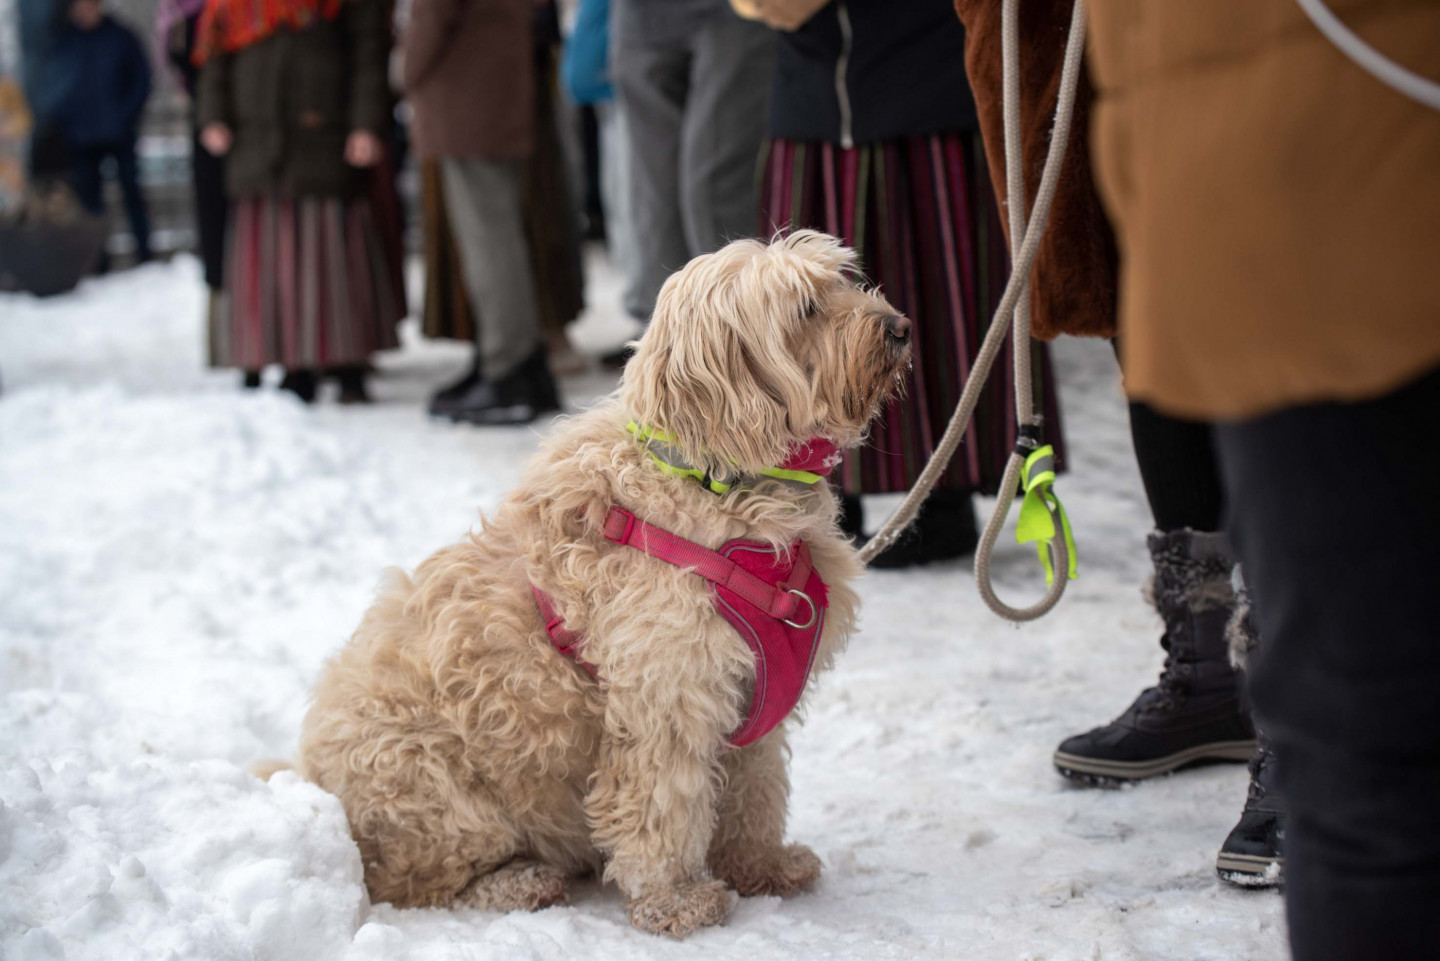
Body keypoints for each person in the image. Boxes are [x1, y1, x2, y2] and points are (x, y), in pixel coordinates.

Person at [1081, 1, 1440, 958]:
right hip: (1223, 148)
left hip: (1342, 124)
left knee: (1372, 747)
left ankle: (1262, 684)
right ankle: (1215, 669)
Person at [953, 0, 1282, 885]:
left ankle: (1312, 710)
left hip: (1252, 38)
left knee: (1279, 313)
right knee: (1149, 307)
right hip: (1100, 41)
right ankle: (1212, 673)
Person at [749, 0, 1065, 567]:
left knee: (944, 294)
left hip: (930, 81)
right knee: (803, 312)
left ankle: (945, 492)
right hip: (821, 95)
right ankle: (819, 486)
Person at [194, 0, 401, 403]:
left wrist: (365, 123)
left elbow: (368, 53)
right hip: (256, 146)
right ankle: (294, 365)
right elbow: (215, 59)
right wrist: (213, 115)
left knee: (333, 261)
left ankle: (347, 364)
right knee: (272, 265)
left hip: (325, 140)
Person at [405, 0, 561, 424]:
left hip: (468, 98)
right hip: (494, 91)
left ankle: (508, 367)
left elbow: (432, 16)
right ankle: (519, 364)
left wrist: (404, 71)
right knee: (498, 236)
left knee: (489, 242)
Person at [607, 0, 775, 366]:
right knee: (655, 200)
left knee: (714, 191)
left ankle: (741, 359)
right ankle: (664, 359)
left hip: (733, 11)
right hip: (639, 13)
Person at [49, 0, 153, 265]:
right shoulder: (64, 41)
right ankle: (98, 261)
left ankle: (145, 255)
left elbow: (141, 78)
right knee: (90, 202)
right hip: (81, 137)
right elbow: (54, 86)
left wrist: (125, 115)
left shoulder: (121, 36)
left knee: (132, 193)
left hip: (119, 131)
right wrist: (65, 120)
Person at [157, 0, 228, 340]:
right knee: (216, 233)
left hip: (244, 123)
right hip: (205, 123)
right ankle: (229, 344)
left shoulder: (221, 11)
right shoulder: (175, 15)